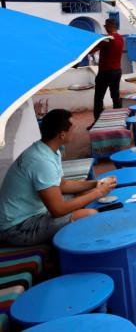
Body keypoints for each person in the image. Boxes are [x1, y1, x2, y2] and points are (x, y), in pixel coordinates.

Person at [0, 109, 116, 246]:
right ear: (62, 134)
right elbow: (58, 210)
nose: (74, 131)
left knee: (84, 194)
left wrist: (95, 184)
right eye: (72, 128)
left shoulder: (48, 150)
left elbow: (62, 186)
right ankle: (81, 253)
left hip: (32, 212)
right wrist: (98, 192)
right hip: (16, 228)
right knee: (90, 214)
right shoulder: (41, 162)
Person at [88, 18, 124, 127]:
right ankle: (118, 120)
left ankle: (97, 122)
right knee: (115, 95)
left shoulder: (107, 39)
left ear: (109, 25)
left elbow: (91, 51)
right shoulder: (121, 38)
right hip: (117, 71)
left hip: (105, 72)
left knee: (99, 97)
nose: (105, 28)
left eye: (105, 26)